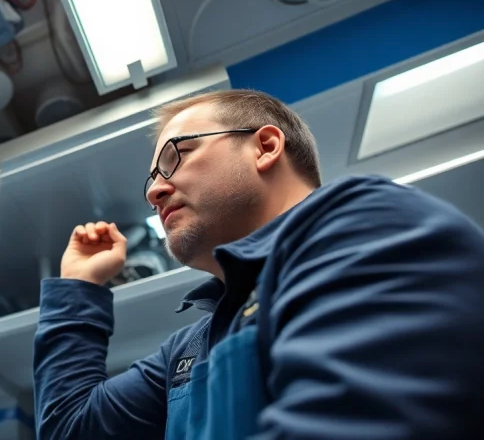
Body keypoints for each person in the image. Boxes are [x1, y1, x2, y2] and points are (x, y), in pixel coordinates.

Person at [33, 89, 484, 440]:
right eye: (151, 180)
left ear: (265, 146)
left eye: (176, 158)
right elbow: (70, 429)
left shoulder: (369, 224)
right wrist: (79, 286)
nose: (154, 192)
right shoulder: (190, 349)